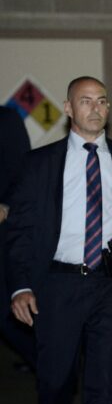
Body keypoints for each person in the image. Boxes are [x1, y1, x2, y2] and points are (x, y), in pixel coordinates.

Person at [6, 76, 112, 404]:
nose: (96, 108)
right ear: (68, 108)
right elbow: (20, 232)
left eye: (102, 101)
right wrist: (20, 286)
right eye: (86, 101)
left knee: (106, 385)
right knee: (55, 382)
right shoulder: (40, 163)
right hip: (58, 285)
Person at [0, 106, 35, 373]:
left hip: (4, 226)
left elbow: (23, 174)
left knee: (5, 310)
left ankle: (49, 363)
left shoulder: (5, 120)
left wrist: (6, 207)